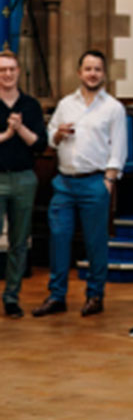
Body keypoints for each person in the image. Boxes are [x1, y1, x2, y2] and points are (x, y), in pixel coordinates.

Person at [35, 50, 126, 317]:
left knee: (95, 241)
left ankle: (95, 295)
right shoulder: (66, 104)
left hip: (95, 182)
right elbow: (50, 136)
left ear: (104, 74)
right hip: (64, 182)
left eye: (97, 69)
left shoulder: (113, 108)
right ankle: (57, 296)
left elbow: (118, 148)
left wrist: (109, 180)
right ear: (79, 73)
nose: (92, 73)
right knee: (59, 237)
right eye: (88, 69)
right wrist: (58, 135)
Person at [0, 48, 48, 317]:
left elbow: (40, 144)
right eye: (2, 70)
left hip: (24, 178)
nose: (7, 74)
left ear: (18, 72)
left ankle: (11, 297)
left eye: (11, 69)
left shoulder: (30, 105)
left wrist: (20, 129)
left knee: (19, 242)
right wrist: (7, 134)